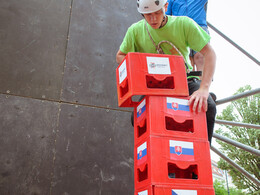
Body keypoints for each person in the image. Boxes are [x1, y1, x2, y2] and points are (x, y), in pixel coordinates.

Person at [116, 0, 216, 144]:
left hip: (183, 80)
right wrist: (143, 65)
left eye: (157, 13)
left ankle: (202, 156)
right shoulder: (135, 30)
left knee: (208, 106)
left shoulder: (183, 24)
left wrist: (204, 89)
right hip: (153, 86)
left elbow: (210, 53)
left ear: (166, 6)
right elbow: (120, 55)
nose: (153, 19)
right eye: (148, 15)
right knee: (137, 117)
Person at [166, 0, 209, 74]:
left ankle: (202, 83)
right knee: (187, 60)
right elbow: (166, 14)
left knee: (200, 57)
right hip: (180, 29)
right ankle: (191, 83)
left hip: (199, 26)